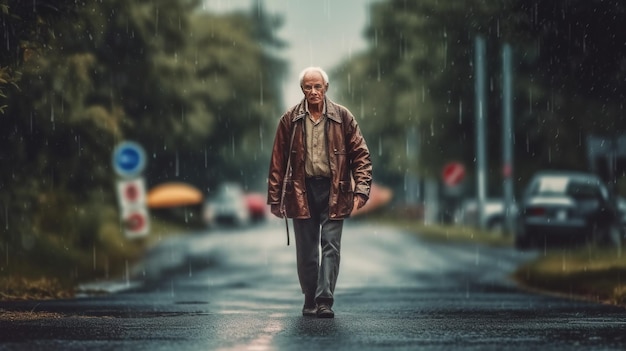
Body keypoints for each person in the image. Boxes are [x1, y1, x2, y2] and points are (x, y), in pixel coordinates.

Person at [267, 66, 372, 318]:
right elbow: (277, 162)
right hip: (300, 191)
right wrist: (274, 198)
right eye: (308, 87)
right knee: (306, 249)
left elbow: (361, 156)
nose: (313, 91)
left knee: (331, 247)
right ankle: (309, 298)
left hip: (335, 189)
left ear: (326, 88)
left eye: (317, 86)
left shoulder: (343, 117)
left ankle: (324, 300)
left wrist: (362, 189)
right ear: (302, 89)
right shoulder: (289, 119)